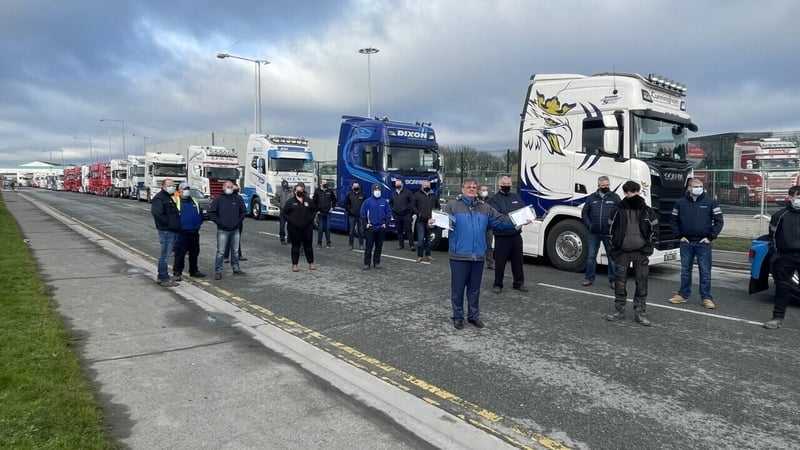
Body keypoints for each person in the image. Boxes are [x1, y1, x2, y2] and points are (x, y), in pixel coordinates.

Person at [430, 179, 526, 330]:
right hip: (459, 255)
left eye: (474, 187)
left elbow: (501, 220)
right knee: (458, 289)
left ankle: (473, 316)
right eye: (468, 187)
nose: (472, 189)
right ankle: (458, 316)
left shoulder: (485, 208)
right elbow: (442, 223)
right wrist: (433, 224)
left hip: (478, 256)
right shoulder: (453, 206)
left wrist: (519, 220)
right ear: (462, 189)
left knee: (475, 289)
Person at [606, 181, 658, 326]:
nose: (629, 195)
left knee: (642, 282)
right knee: (620, 282)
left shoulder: (647, 210)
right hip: (622, 252)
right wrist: (613, 248)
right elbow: (609, 229)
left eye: (631, 192)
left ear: (636, 191)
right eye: (628, 192)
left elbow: (655, 230)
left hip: (640, 253)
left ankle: (640, 312)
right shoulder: (617, 209)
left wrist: (648, 247)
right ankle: (619, 311)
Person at [669, 178, 724, 309]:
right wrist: (679, 236)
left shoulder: (711, 202)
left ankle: (706, 297)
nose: (698, 188)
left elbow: (719, 221)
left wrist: (710, 237)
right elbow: (673, 220)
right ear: (689, 188)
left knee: (705, 271)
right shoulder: (680, 203)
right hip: (686, 243)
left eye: (700, 186)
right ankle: (683, 294)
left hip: (703, 243)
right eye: (695, 186)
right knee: (685, 271)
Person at [763, 186, 800, 330]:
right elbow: (772, 237)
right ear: (790, 198)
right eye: (798, 197)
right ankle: (777, 318)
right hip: (786, 257)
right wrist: (776, 254)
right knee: (783, 287)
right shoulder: (780, 216)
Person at [488, 176, 528, 293]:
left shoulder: (516, 197)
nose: (506, 185)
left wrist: (526, 218)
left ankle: (518, 283)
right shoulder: (494, 200)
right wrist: (512, 219)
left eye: (508, 183)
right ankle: (498, 284)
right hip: (502, 237)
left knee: (518, 261)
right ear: (499, 185)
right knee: (500, 262)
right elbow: (498, 217)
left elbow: (524, 211)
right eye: (504, 183)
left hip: (516, 235)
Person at [581, 176, 620, 288]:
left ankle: (613, 280)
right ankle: (589, 278)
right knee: (591, 257)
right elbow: (584, 213)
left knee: (612, 258)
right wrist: (590, 226)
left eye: (607, 185)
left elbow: (620, 214)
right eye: (603, 186)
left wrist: (615, 228)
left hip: (609, 234)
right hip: (594, 233)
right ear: (598, 186)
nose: (606, 187)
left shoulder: (615, 198)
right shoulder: (591, 198)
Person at [209, 180, 247, 280]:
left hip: (235, 229)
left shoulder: (238, 199)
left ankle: (236, 268)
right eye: (228, 187)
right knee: (221, 251)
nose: (230, 189)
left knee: (235, 251)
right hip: (222, 230)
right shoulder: (218, 199)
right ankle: (218, 270)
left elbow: (243, 211)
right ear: (223, 187)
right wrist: (220, 222)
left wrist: (238, 222)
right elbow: (212, 213)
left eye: (231, 187)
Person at [150, 178, 181, 287]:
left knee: (166, 255)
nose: (173, 187)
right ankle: (163, 278)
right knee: (165, 256)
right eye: (170, 185)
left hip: (172, 230)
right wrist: (169, 224)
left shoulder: (168, 197)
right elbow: (158, 214)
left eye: (173, 185)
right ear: (163, 186)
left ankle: (162, 276)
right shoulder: (159, 198)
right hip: (166, 231)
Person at [172, 182, 205, 281]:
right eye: (185, 188)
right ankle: (177, 272)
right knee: (180, 253)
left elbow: (200, 214)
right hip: (182, 233)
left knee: (194, 252)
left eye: (188, 188)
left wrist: (198, 224)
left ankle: (193, 270)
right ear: (180, 190)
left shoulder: (194, 201)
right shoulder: (175, 201)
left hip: (194, 232)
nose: (187, 190)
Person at [284, 182, 317, 272]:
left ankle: (311, 263)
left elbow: (314, 210)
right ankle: (295, 265)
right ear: (295, 191)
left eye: (301, 190)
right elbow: (285, 213)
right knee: (295, 246)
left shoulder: (308, 201)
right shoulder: (290, 202)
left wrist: (310, 219)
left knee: (308, 246)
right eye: (298, 190)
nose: (299, 192)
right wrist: (291, 221)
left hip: (307, 227)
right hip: (294, 228)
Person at [360, 183, 392, 270]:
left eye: (378, 190)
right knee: (369, 246)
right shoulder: (367, 202)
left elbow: (388, 213)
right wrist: (366, 224)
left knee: (379, 246)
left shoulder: (384, 202)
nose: (377, 191)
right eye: (375, 190)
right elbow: (362, 214)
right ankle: (367, 263)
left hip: (381, 227)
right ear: (372, 191)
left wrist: (386, 223)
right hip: (371, 227)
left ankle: (377, 262)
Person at [412, 180, 441, 263]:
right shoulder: (417, 195)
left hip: (430, 221)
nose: (427, 187)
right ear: (422, 186)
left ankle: (428, 255)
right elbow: (412, 206)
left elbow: (437, 206)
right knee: (420, 239)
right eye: (425, 185)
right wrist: (418, 213)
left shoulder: (433, 195)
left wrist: (435, 214)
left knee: (428, 239)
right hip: (420, 220)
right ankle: (420, 256)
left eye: (428, 185)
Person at [223, 183, 247, 263]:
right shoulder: (224, 198)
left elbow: (243, 211)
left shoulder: (239, 198)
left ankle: (238, 255)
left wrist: (239, 220)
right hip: (227, 222)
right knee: (227, 239)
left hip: (238, 223)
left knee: (237, 239)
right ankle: (226, 256)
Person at [390, 180, 416, 251]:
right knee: (399, 230)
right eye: (396, 185)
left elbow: (413, 201)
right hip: (397, 214)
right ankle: (401, 245)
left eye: (399, 184)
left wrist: (408, 208)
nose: (398, 186)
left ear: (402, 184)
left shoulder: (408, 192)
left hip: (406, 214)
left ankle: (412, 245)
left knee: (409, 230)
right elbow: (391, 202)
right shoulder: (393, 193)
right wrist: (393, 209)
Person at [313, 179, 336, 248]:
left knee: (328, 228)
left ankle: (328, 243)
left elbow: (334, 200)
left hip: (328, 212)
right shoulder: (317, 191)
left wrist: (332, 208)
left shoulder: (330, 191)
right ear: (320, 184)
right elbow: (314, 201)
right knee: (320, 228)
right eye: (323, 183)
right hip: (320, 212)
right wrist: (317, 210)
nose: (325, 184)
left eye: (326, 183)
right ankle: (319, 243)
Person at [344, 181, 366, 250]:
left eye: (357, 186)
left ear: (359, 187)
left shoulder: (363, 195)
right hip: (352, 216)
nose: (356, 187)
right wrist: (349, 211)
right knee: (351, 231)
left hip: (360, 216)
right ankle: (350, 245)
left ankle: (361, 245)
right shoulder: (349, 195)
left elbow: (365, 205)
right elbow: (346, 204)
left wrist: (363, 212)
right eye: (355, 186)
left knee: (361, 231)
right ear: (352, 187)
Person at [478, 185, 495, 270]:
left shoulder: (490, 201)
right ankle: (477, 261)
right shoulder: (475, 200)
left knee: (489, 246)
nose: (484, 191)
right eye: (482, 190)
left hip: (488, 227)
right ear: (479, 191)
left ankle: (490, 263)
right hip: (478, 227)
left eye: (486, 190)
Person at [275, 179, 292, 245]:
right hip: (282, 211)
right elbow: (275, 200)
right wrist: (280, 205)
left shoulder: (291, 192)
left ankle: (289, 239)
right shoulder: (279, 192)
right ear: (282, 186)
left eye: (286, 185)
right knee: (282, 226)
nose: (286, 186)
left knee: (290, 227)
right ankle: (282, 239)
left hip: (290, 212)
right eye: (284, 185)